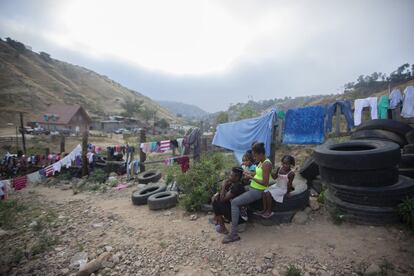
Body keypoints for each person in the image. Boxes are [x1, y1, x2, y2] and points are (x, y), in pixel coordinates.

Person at [222, 142, 272, 244]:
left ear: (260, 154)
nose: (254, 157)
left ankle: (233, 234)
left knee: (234, 202)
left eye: (254, 155)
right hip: (252, 187)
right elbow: (259, 173)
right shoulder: (262, 162)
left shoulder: (267, 164)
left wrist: (251, 177)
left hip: (258, 190)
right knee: (237, 191)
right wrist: (249, 173)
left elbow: (265, 183)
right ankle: (239, 216)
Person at [211, 167, 246, 234]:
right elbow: (223, 194)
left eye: (231, 175)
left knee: (215, 202)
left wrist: (223, 185)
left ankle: (223, 228)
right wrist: (218, 193)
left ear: (237, 177)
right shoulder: (235, 183)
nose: (229, 177)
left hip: (240, 218)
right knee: (216, 197)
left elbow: (222, 200)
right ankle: (217, 219)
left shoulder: (237, 186)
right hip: (237, 212)